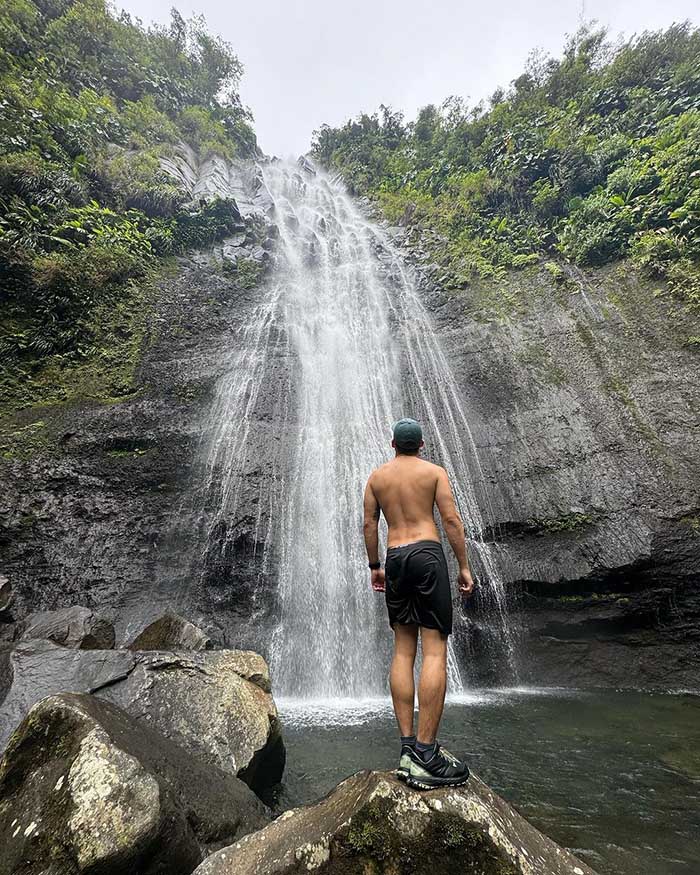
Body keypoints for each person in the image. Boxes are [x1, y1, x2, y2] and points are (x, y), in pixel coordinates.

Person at [363, 417, 475, 789]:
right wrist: (463, 566)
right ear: (422, 444)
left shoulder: (378, 478)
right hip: (427, 555)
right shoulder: (434, 472)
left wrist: (375, 566)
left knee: (402, 651)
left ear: (392, 443)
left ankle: (408, 749)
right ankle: (427, 753)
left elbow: (368, 524)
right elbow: (452, 521)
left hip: (394, 557)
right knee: (434, 651)